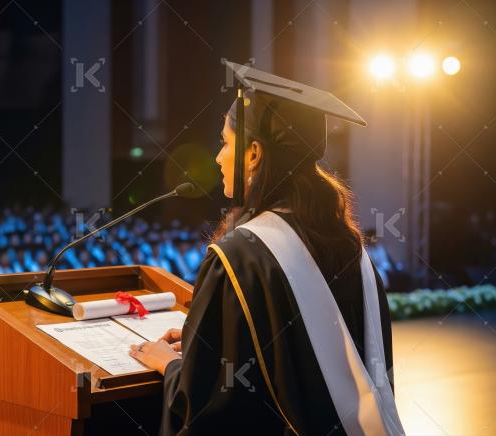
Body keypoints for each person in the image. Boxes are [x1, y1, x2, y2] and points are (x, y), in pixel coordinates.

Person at [129, 63, 403, 435]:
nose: (218, 157)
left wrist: (172, 365)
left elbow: (209, 405)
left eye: (225, 142)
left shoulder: (240, 256)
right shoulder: (348, 247)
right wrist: (204, 337)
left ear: (254, 153)